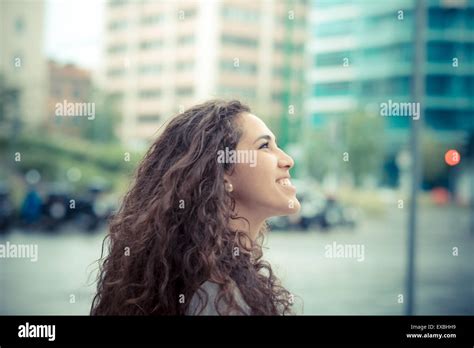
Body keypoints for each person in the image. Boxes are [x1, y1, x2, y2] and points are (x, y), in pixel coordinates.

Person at [91, 99, 301, 315]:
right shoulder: (220, 300)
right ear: (221, 172)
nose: (287, 160)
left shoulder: (200, 281)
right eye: (264, 146)